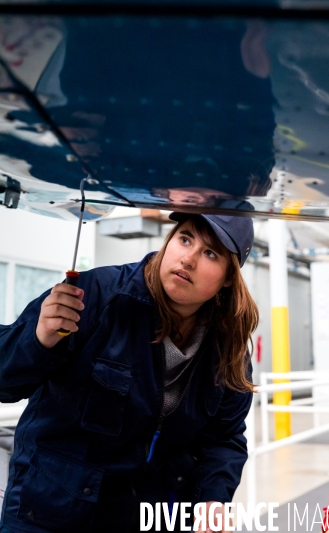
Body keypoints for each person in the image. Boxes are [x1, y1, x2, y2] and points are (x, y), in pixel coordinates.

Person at [0, 212, 259, 533]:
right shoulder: (96, 295)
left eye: (210, 253)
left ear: (229, 277)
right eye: (185, 238)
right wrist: (38, 339)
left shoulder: (228, 350)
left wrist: (213, 498)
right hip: (50, 512)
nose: (188, 259)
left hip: (146, 514)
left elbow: (225, 436)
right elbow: (4, 381)